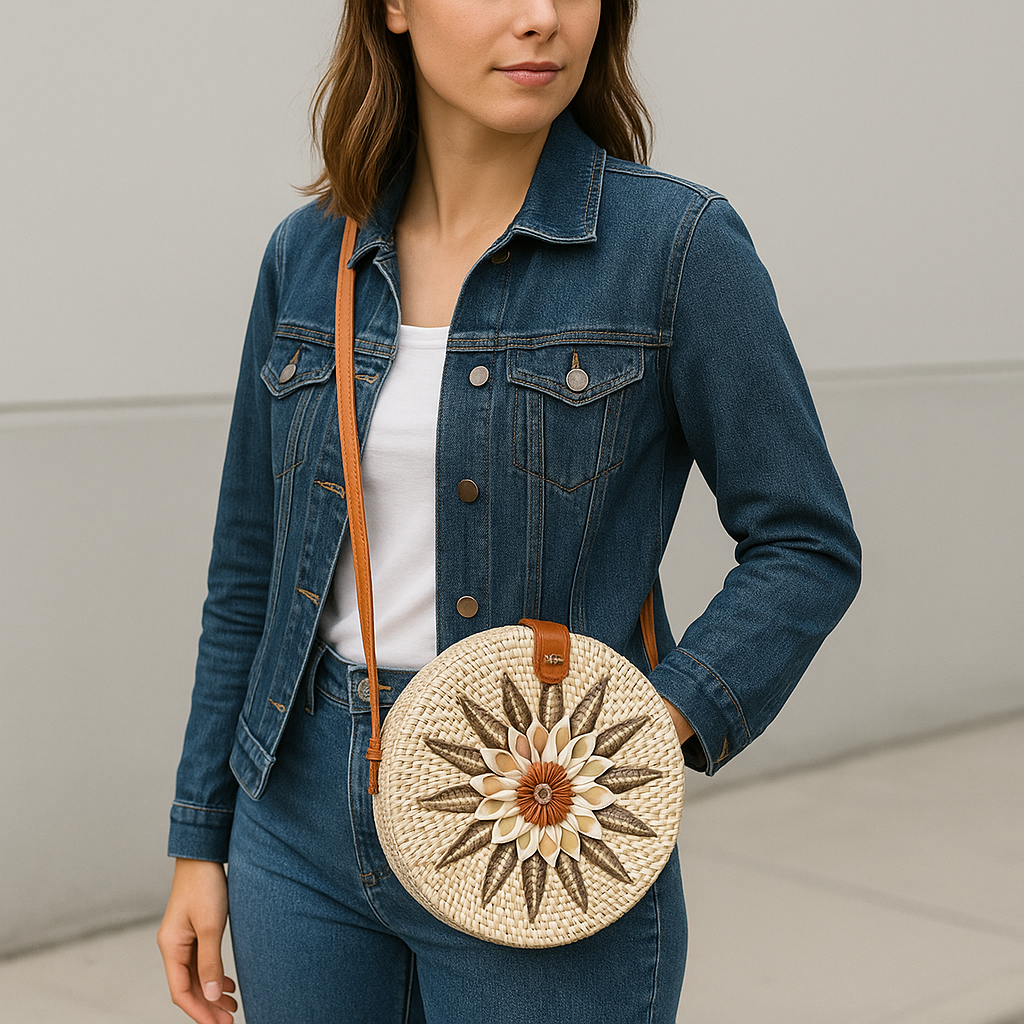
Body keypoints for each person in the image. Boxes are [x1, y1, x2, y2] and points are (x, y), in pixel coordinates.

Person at [158, 0, 861, 1021]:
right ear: (393, 8)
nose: (540, 19)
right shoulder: (309, 254)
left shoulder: (675, 246)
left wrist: (642, 730)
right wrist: (199, 837)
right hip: (298, 819)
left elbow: (805, 539)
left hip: (542, 817)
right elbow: (250, 572)